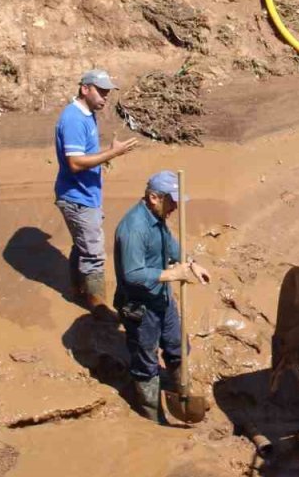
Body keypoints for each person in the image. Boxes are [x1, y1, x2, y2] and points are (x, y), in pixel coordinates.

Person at [113, 170, 211, 424]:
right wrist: (172, 274)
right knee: (146, 360)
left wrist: (191, 264)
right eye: (172, 200)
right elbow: (132, 274)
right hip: (140, 306)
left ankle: (183, 392)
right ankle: (152, 415)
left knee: (178, 346)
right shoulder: (134, 228)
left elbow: (171, 247)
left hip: (162, 300)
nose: (175, 207)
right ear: (154, 197)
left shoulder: (157, 219)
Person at [54, 69, 139, 315]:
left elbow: (84, 156)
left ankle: (78, 290)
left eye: (107, 92)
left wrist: (105, 157)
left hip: (85, 194)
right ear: (85, 89)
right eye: (101, 91)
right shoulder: (74, 119)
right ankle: (99, 310)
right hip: (78, 198)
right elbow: (74, 163)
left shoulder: (87, 114)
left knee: (82, 245)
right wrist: (113, 153)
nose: (105, 97)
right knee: (94, 255)